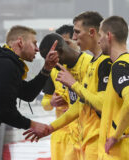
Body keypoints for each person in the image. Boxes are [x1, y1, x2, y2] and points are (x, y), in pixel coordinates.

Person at [24, 11, 112, 160]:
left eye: (77, 32)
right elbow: (80, 105)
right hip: (80, 139)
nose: (74, 38)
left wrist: (73, 84)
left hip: (101, 142)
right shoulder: (93, 63)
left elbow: (104, 105)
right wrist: (50, 128)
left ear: (91, 32)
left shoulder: (107, 62)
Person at [0, 25, 59, 159]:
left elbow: (27, 93)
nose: (37, 48)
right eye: (34, 43)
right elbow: (6, 111)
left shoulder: (4, 61)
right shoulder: (6, 64)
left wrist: (46, 68)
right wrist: (32, 124)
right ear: (20, 41)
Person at [41, 25, 92, 160]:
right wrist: (51, 102)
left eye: (69, 42)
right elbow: (45, 103)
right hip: (62, 132)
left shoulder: (90, 64)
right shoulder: (54, 71)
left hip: (87, 131)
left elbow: (95, 101)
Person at [98, 16, 129, 160]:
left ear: (109, 36)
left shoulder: (120, 66)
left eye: (100, 35)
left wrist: (115, 136)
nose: (98, 41)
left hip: (119, 151)